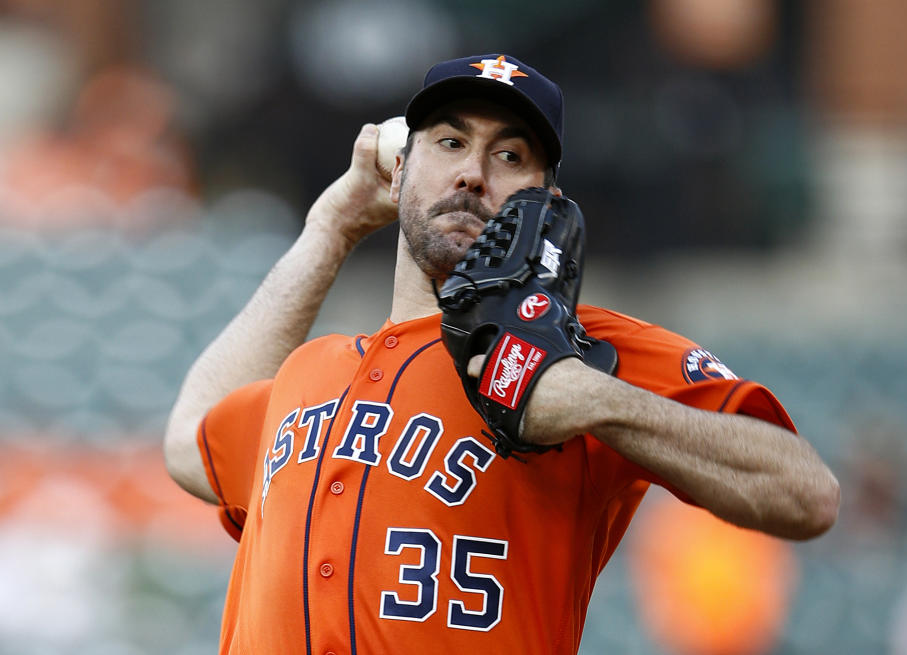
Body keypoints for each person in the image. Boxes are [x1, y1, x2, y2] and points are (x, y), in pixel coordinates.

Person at [164, 54, 840, 654]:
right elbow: (191, 448)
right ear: (400, 169)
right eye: (450, 142)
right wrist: (331, 226)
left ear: (548, 204)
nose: (471, 174)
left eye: (510, 156)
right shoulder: (311, 370)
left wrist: (595, 400)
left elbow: (804, 492)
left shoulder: (576, 346)